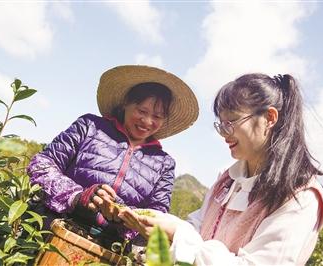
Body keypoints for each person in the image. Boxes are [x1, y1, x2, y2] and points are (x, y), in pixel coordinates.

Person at [119, 73, 323, 265]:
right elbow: (198, 228)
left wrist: (179, 235)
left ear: (270, 118)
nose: (224, 134)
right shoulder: (228, 181)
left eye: (232, 121)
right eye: (221, 124)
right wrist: (162, 225)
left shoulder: (300, 198)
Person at [27, 65, 199, 245]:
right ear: (125, 103)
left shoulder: (163, 163)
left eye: (157, 116)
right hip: (52, 231)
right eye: (141, 111)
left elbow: (157, 216)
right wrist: (78, 196)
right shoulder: (89, 126)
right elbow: (41, 165)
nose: (148, 121)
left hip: (109, 250)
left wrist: (126, 216)